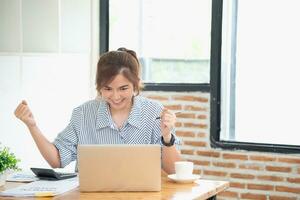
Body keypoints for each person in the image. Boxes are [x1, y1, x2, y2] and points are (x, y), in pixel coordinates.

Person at [14, 47, 181, 174]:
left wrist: (167, 137)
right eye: (107, 89)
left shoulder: (154, 112)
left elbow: (173, 170)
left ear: (136, 84)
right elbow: (57, 160)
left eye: (123, 88)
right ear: (99, 86)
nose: (115, 97)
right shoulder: (83, 114)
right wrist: (32, 126)